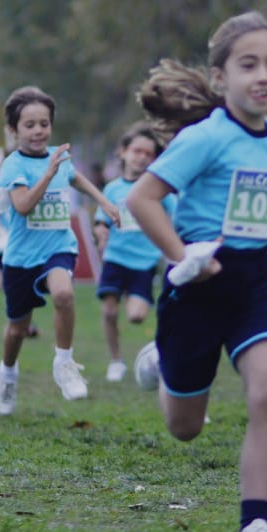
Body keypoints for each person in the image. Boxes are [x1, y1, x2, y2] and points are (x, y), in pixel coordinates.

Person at [124, 11, 267, 532]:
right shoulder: (204, 138)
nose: (263, 76)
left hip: (252, 285)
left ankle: (252, 530)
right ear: (220, 77)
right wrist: (182, 258)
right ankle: (163, 360)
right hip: (196, 286)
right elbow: (142, 200)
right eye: (248, 65)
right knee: (185, 428)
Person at [0, 87, 120, 415]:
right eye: (30, 125)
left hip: (59, 247)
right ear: (14, 129)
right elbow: (22, 205)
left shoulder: (58, 157)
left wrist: (104, 201)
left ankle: (64, 363)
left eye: (44, 124)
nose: (38, 131)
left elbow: (75, 178)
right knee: (18, 329)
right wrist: (47, 174)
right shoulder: (13, 166)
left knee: (64, 295)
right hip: (21, 258)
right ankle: (7, 373)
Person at [92, 122, 171, 382]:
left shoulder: (159, 190)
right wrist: (101, 232)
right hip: (115, 258)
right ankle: (116, 361)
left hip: (145, 262)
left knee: (136, 316)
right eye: (137, 151)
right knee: (109, 311)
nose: (142, 157)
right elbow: (101, 220)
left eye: (149, 154)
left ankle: (151, 351)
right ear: (123, 152)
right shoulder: (113, 189)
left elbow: (178, 215)